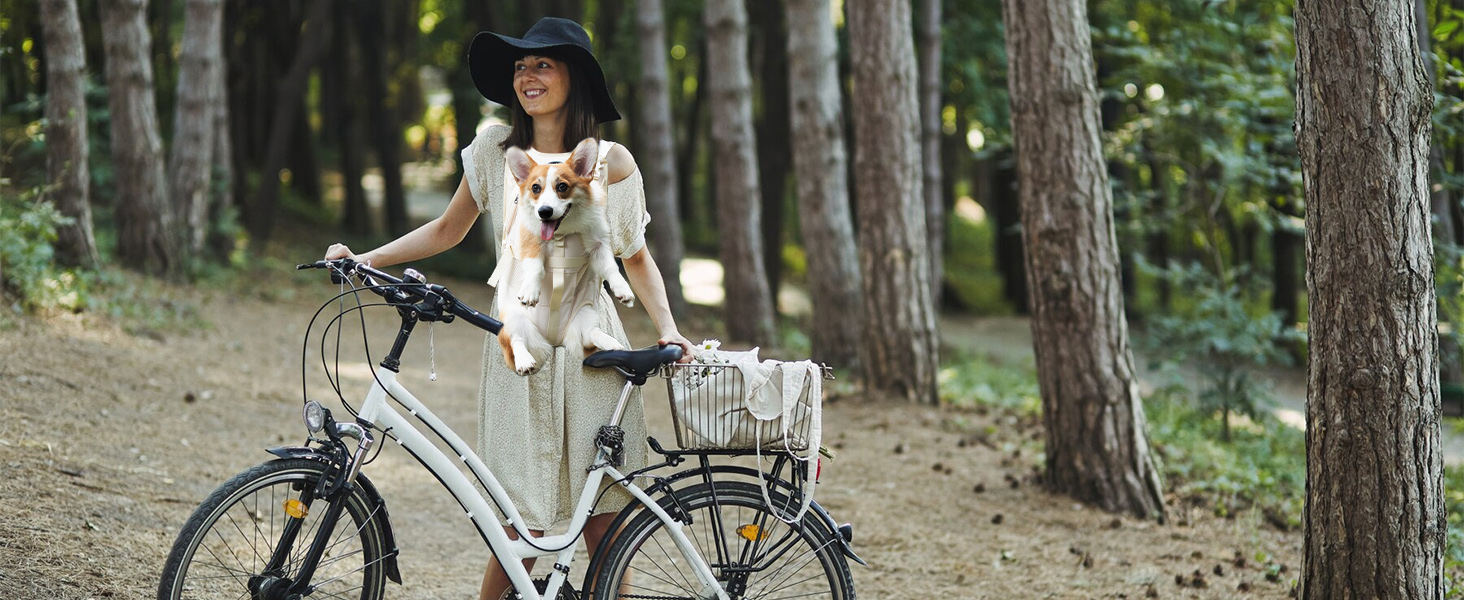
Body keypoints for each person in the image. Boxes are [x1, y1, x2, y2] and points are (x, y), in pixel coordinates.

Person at [323, 17, 693, 599]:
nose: (527, 75)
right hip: (517, 356)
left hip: (592, 359)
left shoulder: (611, 163)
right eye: (520, 67)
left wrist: (670, 331)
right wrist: (365, 259)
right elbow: (447, 229)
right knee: (515, 522)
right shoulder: (497, 149)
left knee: (602, 527)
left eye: (542, 64)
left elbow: (636, 258)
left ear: (576, 79)